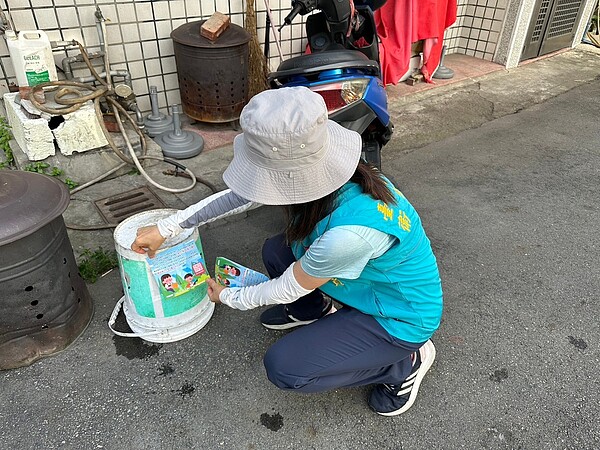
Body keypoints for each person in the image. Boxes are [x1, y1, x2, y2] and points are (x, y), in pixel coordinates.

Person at [131, 87, 443, 416]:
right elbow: (240, 196)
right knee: (277, 250)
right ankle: (313, 311)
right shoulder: (332, 166)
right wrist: (168, 227)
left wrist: (229, 297)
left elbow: (288, 286)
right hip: (364, 286)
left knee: (285, 368)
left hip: (398, 318)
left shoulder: (349, 236)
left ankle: (403, 365)